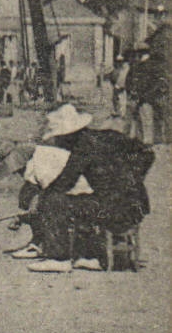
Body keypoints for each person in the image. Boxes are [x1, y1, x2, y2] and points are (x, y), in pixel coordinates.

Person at [17, 103, 155, 272]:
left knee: (54, 201)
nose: (59, 141)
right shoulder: (108, 136)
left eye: (59, 137)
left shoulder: (82, 148)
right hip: (137, 205)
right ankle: (91, 255)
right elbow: (148, 154)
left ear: (68, 136)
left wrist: (39, 199)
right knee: (83, 201)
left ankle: (59, 258)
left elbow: (63, 183)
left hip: (117, 210)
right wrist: (134, 178)